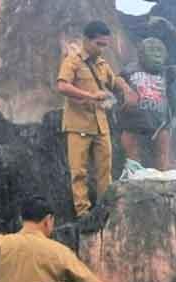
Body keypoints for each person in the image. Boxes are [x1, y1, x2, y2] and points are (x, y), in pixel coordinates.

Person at [57, 21, 136, 218]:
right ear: (87, 40)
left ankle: (105, 208)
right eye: (99, 44)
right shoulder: (72, 61)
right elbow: (62, 86)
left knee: (105, 169)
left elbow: (114, 80)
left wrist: (126, 88)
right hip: (78, 124)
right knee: (79, 171)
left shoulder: (102, 64)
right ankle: (82, 212)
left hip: (101, 125)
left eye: (105, 45)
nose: (102, 49)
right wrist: (91, 96)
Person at [119, 16, 176, 171]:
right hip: (133, 122)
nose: (156, 54)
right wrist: (126, 90)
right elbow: (114, 80)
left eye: (159, 51)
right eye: (151, 50)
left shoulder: (166, 72)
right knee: (132, 160)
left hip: (161, 123)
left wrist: (172, 30)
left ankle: (162, 184)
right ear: (140, 53)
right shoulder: (130, 70)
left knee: (162, 160)